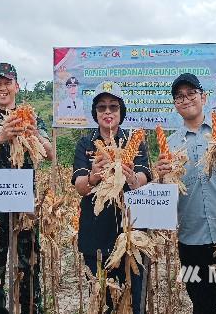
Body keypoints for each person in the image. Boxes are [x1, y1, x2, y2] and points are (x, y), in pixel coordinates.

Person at [154, 73, 216, 314]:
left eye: (191, 93)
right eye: (179, 96)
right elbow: (166, 200)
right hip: (192, 241)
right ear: (175, 104)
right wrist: (161, 179)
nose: (186, 99)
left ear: (204, 96)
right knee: (202, 306)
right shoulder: (169, 144)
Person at [0, 62, 54, 314]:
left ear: (17, 86)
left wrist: (34, 135)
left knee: (28, 269)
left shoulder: (33, 118)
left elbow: (50, 154)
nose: (3, 88)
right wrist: (1, 138)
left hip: (25, 210)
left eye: (7, 82)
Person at [71, 81, 151, 313]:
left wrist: (132, 179)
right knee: (104, 301)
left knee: (135, 300)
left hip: (131, 234)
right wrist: (94, 177)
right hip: (96, 234)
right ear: (95, 113)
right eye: (102, 107)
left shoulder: (135, 143)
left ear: (121, 112)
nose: (108, 112)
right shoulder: (85, 144)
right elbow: (80, 186)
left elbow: (144, 176)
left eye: (113, 107)